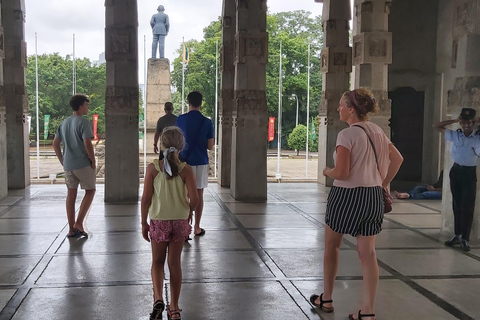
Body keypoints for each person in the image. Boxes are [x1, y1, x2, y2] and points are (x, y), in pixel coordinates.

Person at [309, 88, 403, 320]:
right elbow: (398, 159)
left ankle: (327, 298)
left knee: (332, 246)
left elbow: (341, 172)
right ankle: (367, 311)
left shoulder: (347, 135)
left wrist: (325, 170)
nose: (338, 109)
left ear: (351, 109)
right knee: (368, 254)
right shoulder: (378, 131)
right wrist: (382, 183)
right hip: (372, 197)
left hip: (346, 197)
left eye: (341, 105)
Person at [141, 126, 199, 320]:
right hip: (180, 222)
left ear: (160, 145)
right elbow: (195, 199)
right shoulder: (186, 170)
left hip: (159, 221)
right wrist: (189, 211)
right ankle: (174, 308)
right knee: (174, 264)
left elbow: (146, 199)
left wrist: (143, 222)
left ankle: (158, 298)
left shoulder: (152, 169)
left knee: (157, 262)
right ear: (181, 147)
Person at [434, 108, 480, 252]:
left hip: (469, 172)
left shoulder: (477, 138)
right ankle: (457, 235)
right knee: (457, 204)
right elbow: (436, 126)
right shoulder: (455, 135)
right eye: (464, 121)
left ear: (474, 122)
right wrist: (454, 120)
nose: (466, 125)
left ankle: (465, 239)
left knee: (467, 206)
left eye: (470, 122)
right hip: (456, 171)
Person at [52, 94, 96, 238]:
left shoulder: (64, 123)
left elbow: (55, 143)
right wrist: (93, 160)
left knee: (71, 194)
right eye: (86, 105)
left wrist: (62, 160)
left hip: (68, 164)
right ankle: (79, 223)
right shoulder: (83, 122)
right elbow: (87, 143)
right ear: (80, 106)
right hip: (82, 163)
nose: (87, 107)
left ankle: (71, 229)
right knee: (90, 191)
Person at [176, 91, 214, 237]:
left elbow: (176, 141)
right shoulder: (207, 122)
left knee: (183, 194)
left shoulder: (180, 119)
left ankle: (184, 228)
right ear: (201, 103)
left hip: (183, 162)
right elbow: (210, 146)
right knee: (198, 194)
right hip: (201, 161)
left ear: (188, 102)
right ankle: (197, 227)